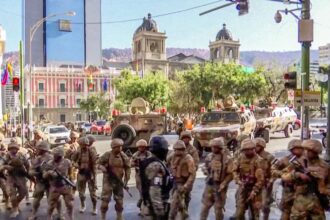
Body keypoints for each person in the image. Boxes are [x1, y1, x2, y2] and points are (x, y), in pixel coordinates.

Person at [281, 139, 330, 220]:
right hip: (300, 203)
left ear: (316, 152)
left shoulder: (324, 166)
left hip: (317, 204)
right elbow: (284, 175)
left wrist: (324, 190)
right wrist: (297, 175)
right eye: (305, 150)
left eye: (309, 150)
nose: (306, 152)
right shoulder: (298, 163)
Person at [200, 137, 234, 220]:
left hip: (220, 187)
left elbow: (231, 174)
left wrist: (224, 183)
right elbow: (205, 166)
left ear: (220, 147)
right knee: (205, 207)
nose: (213, 148)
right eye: (212, 147)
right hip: (210, 185)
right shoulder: (210, 156)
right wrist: (205, 169)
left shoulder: (227, 159)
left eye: (215, 147)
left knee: (218, 209)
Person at [271, 139, 305, 220]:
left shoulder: (308, 160)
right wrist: (282, 174)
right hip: (288, 191)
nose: (296, 151)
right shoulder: (286, 160)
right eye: (294, 149)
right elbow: (273, 169)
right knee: (286, 213)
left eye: (299, 148)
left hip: (303, 192)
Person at [140, 136, 173, 220]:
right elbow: (154, 191)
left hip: (152, 207)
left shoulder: (156, 162)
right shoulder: (156, 165)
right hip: (153, 212)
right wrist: (160, 213)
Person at [98, 138, 131, 220]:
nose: (120, 149)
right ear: (113, 147)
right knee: (105, 202)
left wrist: (126, 181)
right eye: (117, 147)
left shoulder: (123, 156)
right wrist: (102, 167)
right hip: (108, 181)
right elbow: (98, 163)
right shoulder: (107, 155)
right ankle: (103, 217)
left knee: (119, 202)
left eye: (121, 147)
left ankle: (119, 217)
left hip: (118, 182)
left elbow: (128, 168)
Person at [231, 139, 265, 220]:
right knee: (239, 212)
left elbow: (260, 180)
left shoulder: (259, 160)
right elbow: (234, 170)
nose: (249, 151)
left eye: (251, 149)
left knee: (254, 214)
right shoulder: (240, 158)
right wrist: (238, 180)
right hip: (243, 187)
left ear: (254, 149)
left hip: (255, 190)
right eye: (246, 150)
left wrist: (254, 191)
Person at [43, 146, 74, 220]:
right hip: (55, 187)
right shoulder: (49, 163)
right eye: (54, 155)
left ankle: (71, 217)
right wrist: (49, 173)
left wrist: (72, 183)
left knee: (69, 204)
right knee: (51, 205)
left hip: (65, 186)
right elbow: (44, 175)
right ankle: (49, 217)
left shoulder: (67, 162)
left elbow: (70, 174)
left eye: (56, 155)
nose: (54, 156)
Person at [167, 140, 196, 220]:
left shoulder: (188, 158)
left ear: (183, 149)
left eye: (180, 149)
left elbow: (192, 175)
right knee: (178, 204)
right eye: (176, 149)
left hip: (183, 183)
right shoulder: (172, 156)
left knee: (175, 205)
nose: (177, 151)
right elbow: (167, 162)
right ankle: (183, 214)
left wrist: (186, 186)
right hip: (175, 182)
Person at [0, 141, 30, 217]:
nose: (13, 150)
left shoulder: (21, 155)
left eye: (15, 148)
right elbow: (1, 165)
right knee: (12, 194)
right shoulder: (6, 156)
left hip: (20, 176)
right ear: (9, 149)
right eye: (11, 148)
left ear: (17, 149)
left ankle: (15, 205)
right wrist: (5, 167)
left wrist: (28, 173)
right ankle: (15, 209)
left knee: (23, 192)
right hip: (11, 177)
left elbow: (27, 164)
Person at [72, 136, 98, 215]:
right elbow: (72, 160)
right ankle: (83, 205)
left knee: (93, 194)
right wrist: (75, 164)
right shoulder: (78, 152)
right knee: (81, 193)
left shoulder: (92, 152)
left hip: (90, 173)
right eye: (83, 145)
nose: (85, 146)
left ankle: (94, 208)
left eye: (86, 144)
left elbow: (94, 166)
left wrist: (95, 179)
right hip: (81, 173)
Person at [28, 141, 53, 220]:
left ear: (42, 149)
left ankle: (52, 214)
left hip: (51, 182)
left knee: (52, 199)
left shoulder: (52, 158)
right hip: (41, 181)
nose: (36, 150)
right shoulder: (37, 159)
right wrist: (37, 172)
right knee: (36, 199)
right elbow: (30, 171)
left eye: (38, 149)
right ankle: (34, 213)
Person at [253, 138, 275, 220]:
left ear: (262, 146)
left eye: (257, 146)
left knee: (265, 205)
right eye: (254, 146)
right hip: (255, 183)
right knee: (255, 205)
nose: (255, 147)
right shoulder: (253, 156)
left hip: (266, 184)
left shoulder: (269, 157)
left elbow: (275, 170)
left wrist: (271, 180)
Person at [130, 139, 152, 211]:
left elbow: (151, 161)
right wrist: (136, 162)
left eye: (143, 147)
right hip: (139, 175)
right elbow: (130, 164)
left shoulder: (148, 154)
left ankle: (142, 204)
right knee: (142, 191)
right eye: (140, 147)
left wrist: (144, 162)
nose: (141, 148)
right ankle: (142, 206)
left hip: (147, 175)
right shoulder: (135, 155)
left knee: (148, 192)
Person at [0, 133, 9, 207]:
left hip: (1, 170)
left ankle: (7, 200)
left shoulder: (3, 146)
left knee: (4, 187)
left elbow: (6, 155)